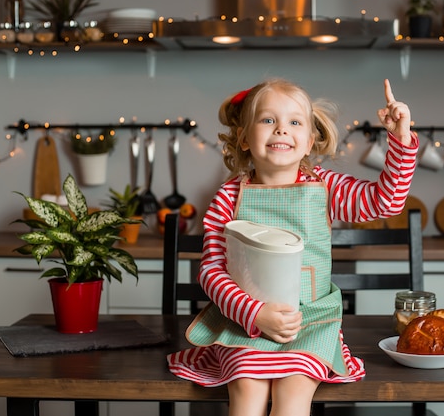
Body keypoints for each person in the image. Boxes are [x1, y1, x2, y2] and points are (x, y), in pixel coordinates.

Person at [167, 78, 419, 416]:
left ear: (309, 141)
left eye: (294, 122)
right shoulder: (228, 197)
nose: (281, 130)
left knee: (293, 397)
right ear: (243, 137)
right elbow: (212, 271)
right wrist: (255, 314)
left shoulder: (326, 186)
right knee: (246, 391)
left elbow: (384, 203)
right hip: (243, 324)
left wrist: (401, 140)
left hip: (310, 324)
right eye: (268, 120)